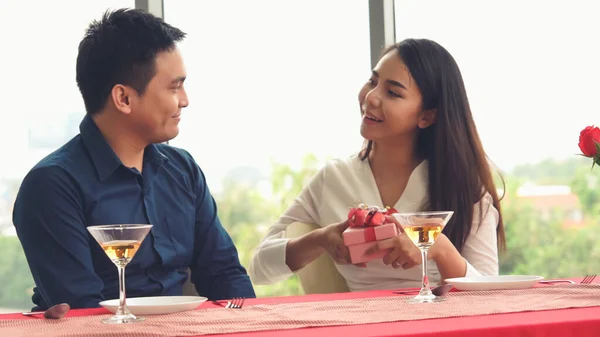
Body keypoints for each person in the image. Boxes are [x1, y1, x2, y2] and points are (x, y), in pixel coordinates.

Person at [13, 8, 255, 311]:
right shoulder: (52, 185)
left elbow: (225, 274)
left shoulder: (183, 169)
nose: (185, 100)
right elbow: (82, 310)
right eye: (174, 86)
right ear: (124, 99)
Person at [249, 38, 505, 292]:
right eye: (373, 82)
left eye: (392, 92)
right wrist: (321, 239)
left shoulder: (463, 185)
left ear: (427, 116)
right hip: (363, 325)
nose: (371, 97)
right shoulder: (335, 178)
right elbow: (259, 267)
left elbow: (490, 293)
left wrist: (439, 248)